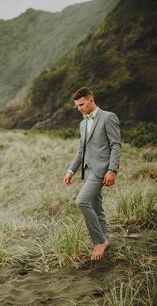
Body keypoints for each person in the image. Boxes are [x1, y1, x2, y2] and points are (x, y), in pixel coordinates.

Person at [63, 87, 121, 261]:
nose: (79, 108)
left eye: (81, 104)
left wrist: (112, 170)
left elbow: (115, 145)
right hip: (86, 171)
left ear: (90, 100)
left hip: (101, 170)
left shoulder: (108, 117)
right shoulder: (83, 123)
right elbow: (81, 150)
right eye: (77, 106)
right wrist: (70, 170)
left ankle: (99, 241)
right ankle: (106, 242)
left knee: (81, 201)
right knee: (97, 208)